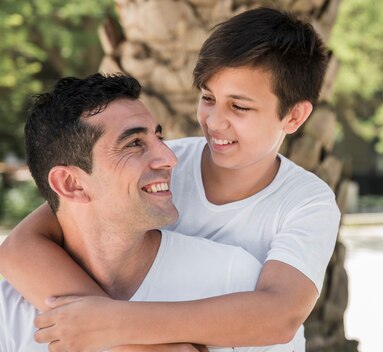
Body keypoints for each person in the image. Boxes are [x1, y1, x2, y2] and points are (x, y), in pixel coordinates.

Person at [0, 7, 340, 352]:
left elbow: (279, 316)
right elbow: (20, 247)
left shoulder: (306, 202)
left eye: (240, 107)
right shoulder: (158, 165)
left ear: (294, 116)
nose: (215, 121)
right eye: (208, 98)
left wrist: (115, 325)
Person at [1, 73, 292, 351]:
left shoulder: (235, 281)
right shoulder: (9, 307)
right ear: (70, 184)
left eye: (159, 138)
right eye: (134, 144)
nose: (170, 158)